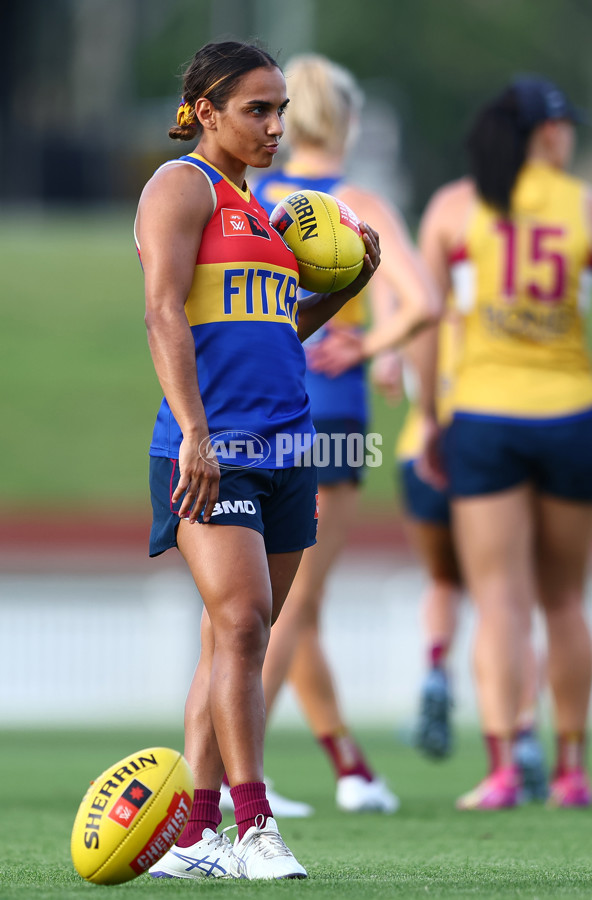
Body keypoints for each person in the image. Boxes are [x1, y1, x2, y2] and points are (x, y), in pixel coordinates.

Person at [134, 40, 383, 879]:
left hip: (290, 447)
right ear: (205, 111)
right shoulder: (182, 189)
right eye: (258, 110)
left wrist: (343, 291)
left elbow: (278, 338)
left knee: (233, 639)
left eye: (280, 110)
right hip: (210, 452)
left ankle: (197, 838)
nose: (277, 126)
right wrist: (196, 434)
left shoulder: (266, 215)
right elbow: (164, 315)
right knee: (242, 626)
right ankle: (254, 825)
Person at [239, 53, 438, 815]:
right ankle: (233, 774)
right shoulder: (355, 201)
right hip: (334, 424)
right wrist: (374, 344)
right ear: (348, 120)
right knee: (290, 604)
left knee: (289, 601)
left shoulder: (256, 195)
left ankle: (349, 769)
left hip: (254, 409)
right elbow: (419, 300)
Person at [417, 75, 592, 809]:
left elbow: (428, 324)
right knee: (563, 602)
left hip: (484, 418)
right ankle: (570, 769)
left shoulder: (457, 206)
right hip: (571, 415)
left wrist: (429, 415)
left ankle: (498, 767)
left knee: (498, 601)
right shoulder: (582, 203)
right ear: (548, 134)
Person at [396, 325, 549, 801]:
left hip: (418, 448)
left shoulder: (424, 301)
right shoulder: (502, 302)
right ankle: (522, 729)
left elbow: (402, 363)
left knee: (444, 581)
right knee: (507, 600)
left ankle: (437, 664)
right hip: (491, 440)